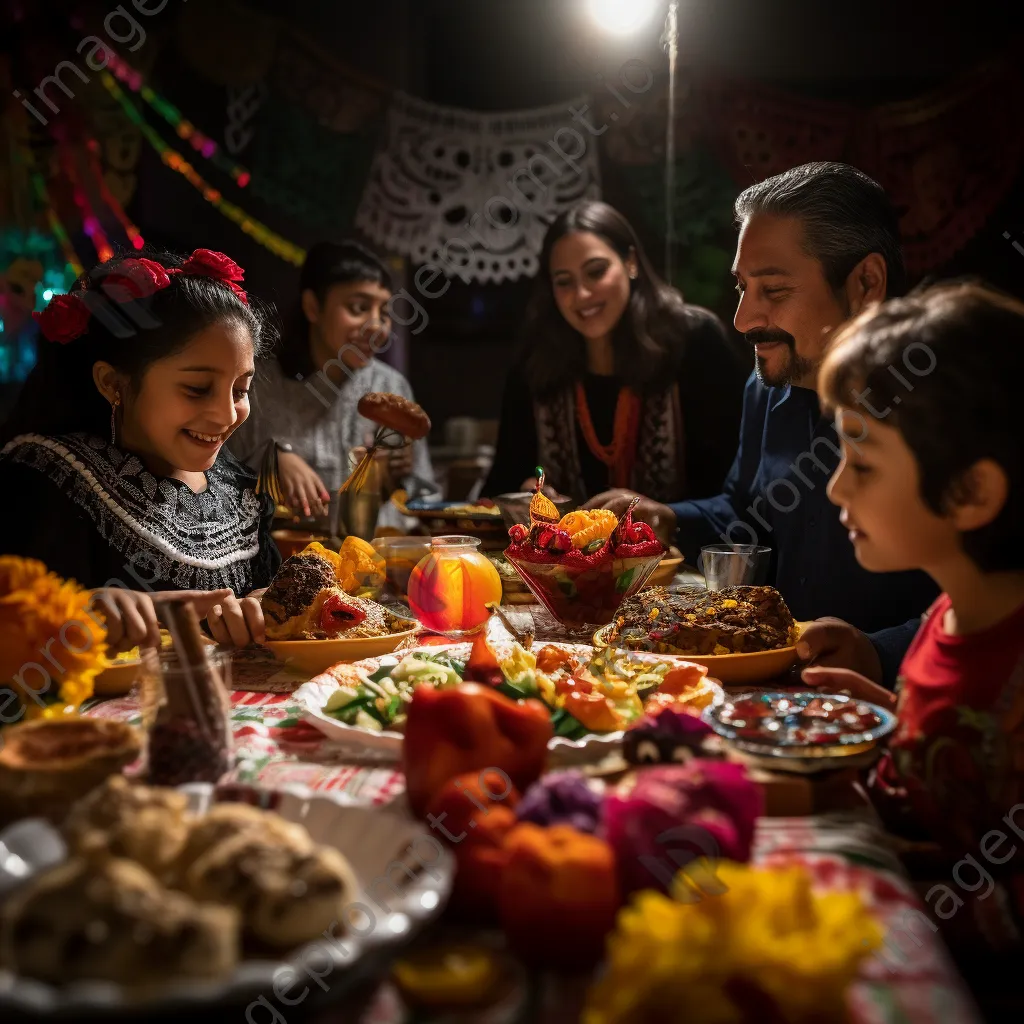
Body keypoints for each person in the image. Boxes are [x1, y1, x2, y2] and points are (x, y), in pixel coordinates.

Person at [587, 163, 937, 686]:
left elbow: (997, 598)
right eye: (742, 287)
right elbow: (746, 511)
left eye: (773, 291)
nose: (742, 319)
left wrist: (879, 652)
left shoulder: (941, 402)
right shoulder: (767, 388)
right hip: (775, 690)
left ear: (866, 283)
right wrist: (668, 518)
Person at [808, 281, 1024, 964]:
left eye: (863, 463)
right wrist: (886, 740)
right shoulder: (947, 613)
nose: (835, 486)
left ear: (970, 493)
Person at [0, 248, 279, 650]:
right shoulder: (45, 479)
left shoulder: (238, 490)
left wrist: (262, 606)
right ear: (112, 383)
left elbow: (266, 595)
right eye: (197, 389)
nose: (225, 415)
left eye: (240, 390)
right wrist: (80, 616)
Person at [482, 200, 747, 504]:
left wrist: (663, 517)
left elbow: (736, 488)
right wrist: (524, 493)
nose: (581, 294)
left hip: (685, 551)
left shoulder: (695, 341)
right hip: (565, 552)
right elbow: (499, 487)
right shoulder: (535, 361)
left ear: (630, 262)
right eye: (564, 281)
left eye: (596, 272)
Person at [230, 241, 438, 527]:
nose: (376, 325)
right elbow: (212, 483)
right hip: (284, 559)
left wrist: (396, 478)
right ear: (313, 307)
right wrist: (270, 461)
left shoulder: (391, 385)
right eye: (358, 307)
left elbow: (425, 502)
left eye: (385, 313)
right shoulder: (256, 384)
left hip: (374, 557)